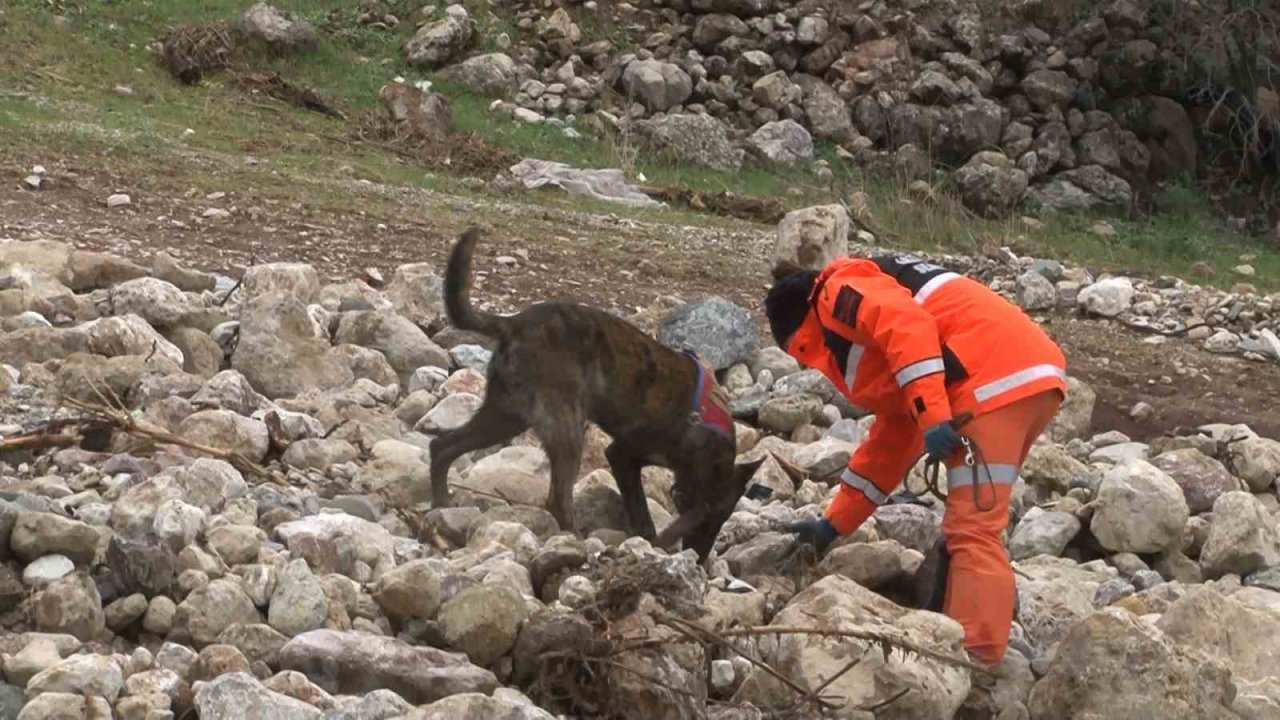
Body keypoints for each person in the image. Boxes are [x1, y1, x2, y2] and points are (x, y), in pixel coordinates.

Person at [763, 253, 1067, 667]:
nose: (808, 363)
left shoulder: (835, 292)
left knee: (973, 528)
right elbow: (892, 440)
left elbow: (906, 325)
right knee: (971, 524)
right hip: (1026, 378)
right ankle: (957, 626)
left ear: (801, 328)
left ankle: (976, 661)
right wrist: (833, 524)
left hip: (991, 380)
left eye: (802, 351)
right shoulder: (869, 300)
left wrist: (933, 414)